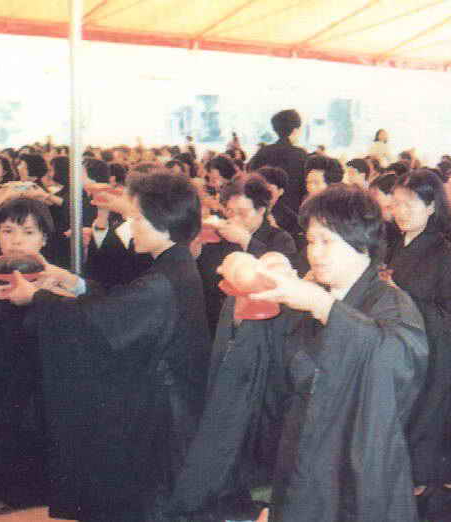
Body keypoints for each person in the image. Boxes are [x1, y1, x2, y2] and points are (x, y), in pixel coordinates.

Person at [171, 185, 428, 522]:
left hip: (354, 469)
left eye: (327, 241)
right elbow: (270, 367)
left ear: (362, 242)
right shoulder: (313, 295)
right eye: (311, 241)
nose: (315, 252)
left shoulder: (391, 303)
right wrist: (245, 302)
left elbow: (396, 364)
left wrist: (323, 306)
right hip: (301, 463)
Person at [2, 172, 212, 521]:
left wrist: (37, 298)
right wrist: (73, 283)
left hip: (161, 411)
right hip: (166, 401)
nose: (131, 226)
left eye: (137, 219)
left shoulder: (162, 279)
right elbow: (120, 305)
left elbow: (101, 322)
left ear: (163, 224)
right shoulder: (174, 265)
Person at [0, 198, 89, 506]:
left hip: (39, 395)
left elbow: (95, 307)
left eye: (28, 232)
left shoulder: (61, 279)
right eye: (7, 231)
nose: (16, 240)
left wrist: (67, 286)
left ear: (44, 238)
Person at [386, 170, 451, 501]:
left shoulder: (448, 256)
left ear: (432, 206)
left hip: (430, 361)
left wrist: (400, 297)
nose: (400, 211)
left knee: (420, 440)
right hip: (396, 354)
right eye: (396, 204)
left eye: (410, 204)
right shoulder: (394, 246)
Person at [195, 175, 297, 332]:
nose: (235, 219)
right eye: (230, 212)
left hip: (261, 327)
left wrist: (246, 241)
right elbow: (207, 279)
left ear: (261, 210)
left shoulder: (281, 239)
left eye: (242, 213)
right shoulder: (221, 236)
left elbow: (279, 282)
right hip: (219, 321)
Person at [247, 109, 308, 215]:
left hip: (264, 211)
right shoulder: (301, 155)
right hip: (293, 212)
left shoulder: (262, 152)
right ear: (295, 130)